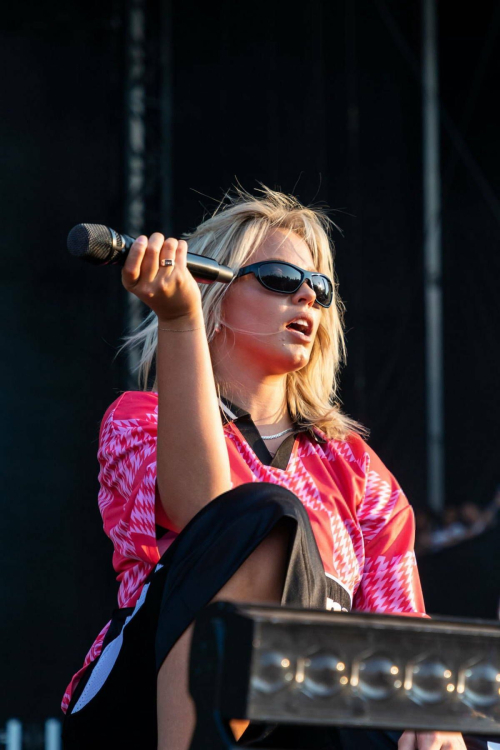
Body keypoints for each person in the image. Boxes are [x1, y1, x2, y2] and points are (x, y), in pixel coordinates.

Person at [62, 187, 473, 749]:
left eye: (319, 288)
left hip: (304, 708)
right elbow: (206, 514)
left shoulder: (355, 467)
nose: (306, 295)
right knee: (265, 516)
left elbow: (402, 626)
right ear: (211, 289)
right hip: (147, 708)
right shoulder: (139, 419)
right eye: (280, 278)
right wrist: (181, 321)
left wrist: (436, 713)